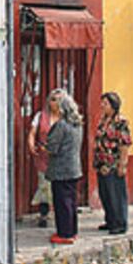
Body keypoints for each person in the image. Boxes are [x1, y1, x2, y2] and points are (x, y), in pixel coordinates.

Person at [45, 88, 83, 245]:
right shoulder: (77, 124)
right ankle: (72, 231)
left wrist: (44, 147)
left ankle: (64, 233)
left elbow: (52, 148)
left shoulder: (60, 125)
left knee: (62, 202)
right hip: (73, 167)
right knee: (71, 202)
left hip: (61, 169)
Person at [94, 91, 131, 234]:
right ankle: (110, 220)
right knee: (105, 193)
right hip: (101, 163)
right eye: (102, 103)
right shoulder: (103, 121)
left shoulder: (120, 123)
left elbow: (124, 144)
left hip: (113, 163)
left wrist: (122, 164)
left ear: (113, 105)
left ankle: (120, 223)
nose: (102, 106)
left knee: (116, 193)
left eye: (105, 103)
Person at [27, 105, 53, 228]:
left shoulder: (65, 116)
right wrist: (31, 145)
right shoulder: (40, 116)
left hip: (59, 157)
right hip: (43, 155)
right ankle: (44, 214)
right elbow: (33, 131)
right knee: (44, 185)